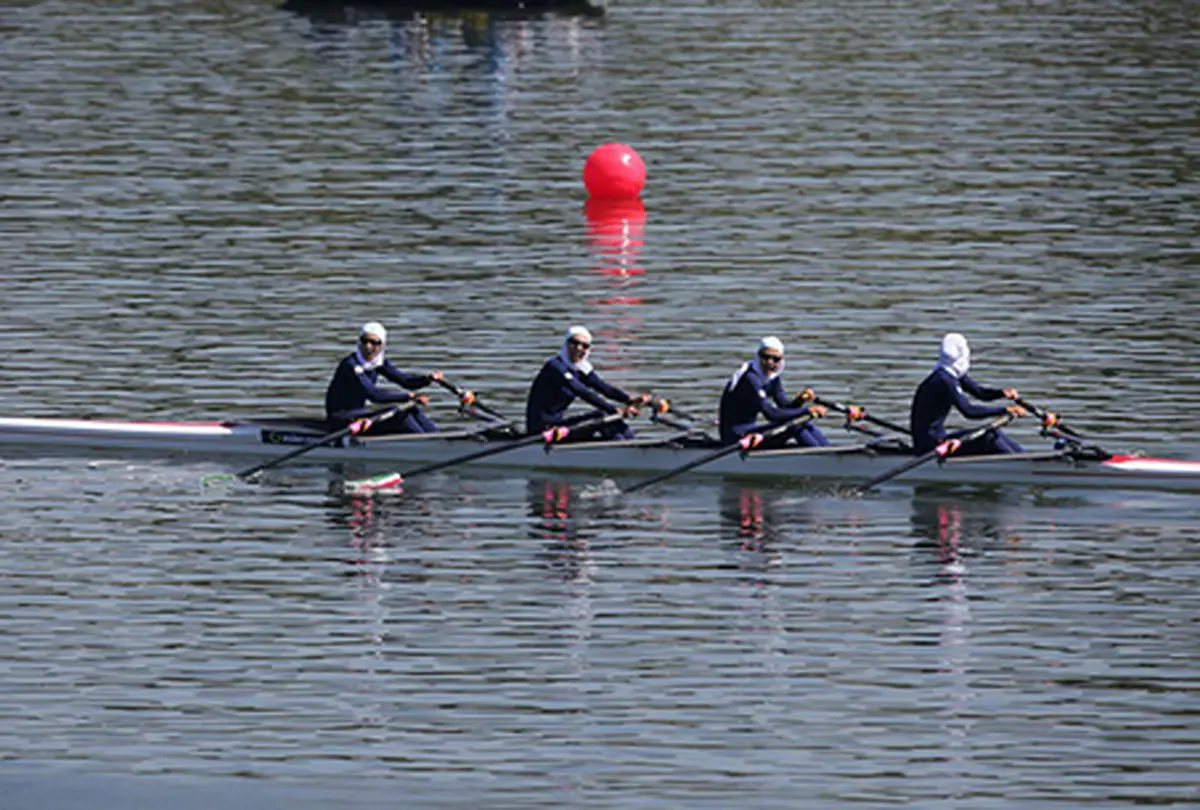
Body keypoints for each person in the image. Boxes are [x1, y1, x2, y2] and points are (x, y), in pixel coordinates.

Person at [325, 321, 471, 435]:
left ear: (382, 345)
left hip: (358, 415)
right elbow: (374, 395)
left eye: (374, 343)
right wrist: (409, 397)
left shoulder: (378, 363)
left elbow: (405, 381)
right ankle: (429, 447)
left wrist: (428, 379)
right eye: (365, 341)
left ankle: (438, 438)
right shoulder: (351, 365)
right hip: (341, 419)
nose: (369, 347)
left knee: (412, 410)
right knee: (401, 415)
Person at [525, 326, 651, 442]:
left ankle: (631, 443)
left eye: (584, 346)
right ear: (566, 344)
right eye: (574, 343)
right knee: (603, 415)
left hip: (558, 424)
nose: (579, 348)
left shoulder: (581, 369)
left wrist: (629, 399)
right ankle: (626, 451)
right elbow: (583, 392)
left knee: (607, 416)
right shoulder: (555, 367)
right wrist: (614, 410)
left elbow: (604, 388)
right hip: (543, 430)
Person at [909, 332, 1026, 456]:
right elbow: (969, 411)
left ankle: (1026, 458)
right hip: (931, 446)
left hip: (938, 439)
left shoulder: (950, 374)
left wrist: (1002, 393)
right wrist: (1005, 409)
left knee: (996, 432)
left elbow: (980, 393)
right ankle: (1023, 467)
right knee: (988, 437)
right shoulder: (944, 380)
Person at [718, 337, 829, 448]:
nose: (770, 362)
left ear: (781, 361)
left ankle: (828, 450)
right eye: (765, 357)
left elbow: (785, 408)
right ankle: (824, 459)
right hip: (736, 437)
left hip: (750, 431)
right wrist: (807, 410)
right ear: (758, 356)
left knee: (802, 422)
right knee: (795, 426)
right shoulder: (750, 379)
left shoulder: (773, 379)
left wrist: (800, 400)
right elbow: (771, 414)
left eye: (775, 359)